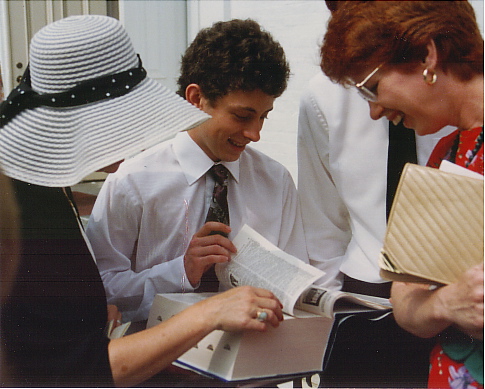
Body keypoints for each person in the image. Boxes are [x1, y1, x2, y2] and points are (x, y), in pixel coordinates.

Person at [0, 15, 284, 387]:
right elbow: (72, 369)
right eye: (127, 122)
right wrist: (206, 314)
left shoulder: (42, 185)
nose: (139, 140)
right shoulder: (21, 206)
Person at [86, 18, 308, 323]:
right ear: (195, 99)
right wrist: (181, 272)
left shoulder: (276, 181)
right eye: (243, 116)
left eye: (263, 117)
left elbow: (294, 286)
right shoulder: (133, 181)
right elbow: (100, 290)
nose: (255, 134)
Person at [320, 1, 483, 388]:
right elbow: (403, 296)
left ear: (428, 55)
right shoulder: (447, 156)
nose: (374, 111)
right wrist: (447, 303)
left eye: (371, 88)